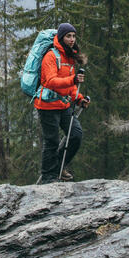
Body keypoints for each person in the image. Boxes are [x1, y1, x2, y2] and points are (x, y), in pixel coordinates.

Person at [35, 22, 90, 183]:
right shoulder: (51, 56)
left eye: (73, 36)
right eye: (68, 36)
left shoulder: (69, 56)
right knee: (51, 140)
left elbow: (71, 87)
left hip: (64, 104)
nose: (72, 39)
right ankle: (48, 176)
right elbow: (50, 81)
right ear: (61, 37)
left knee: (76, 135)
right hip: (47, 105)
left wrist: (79, 99)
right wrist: (72, 79)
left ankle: (58, 167)